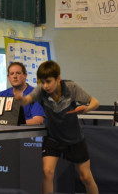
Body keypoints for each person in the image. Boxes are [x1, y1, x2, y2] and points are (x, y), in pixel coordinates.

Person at [14, 60, 99, 194]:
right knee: (47, 172)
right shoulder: (41, 90)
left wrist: (87, 109)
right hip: (53, 138)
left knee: (86, 177)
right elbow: (26, 100)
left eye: (48, 81)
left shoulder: (71, 87)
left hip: (74, 139)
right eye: (42, 82)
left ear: (58, 78)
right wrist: (19, 99)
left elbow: (95, 102)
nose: (45, 86)